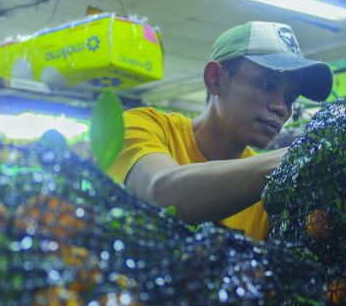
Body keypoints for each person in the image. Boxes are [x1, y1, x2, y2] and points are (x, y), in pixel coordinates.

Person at [108, 21, 333, 241]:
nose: (281, 108)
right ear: (215, 79)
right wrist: (298, 156)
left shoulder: (266, 194)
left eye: (290, 98)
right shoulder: (143, 125)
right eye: (267, 85)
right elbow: (161, 193)